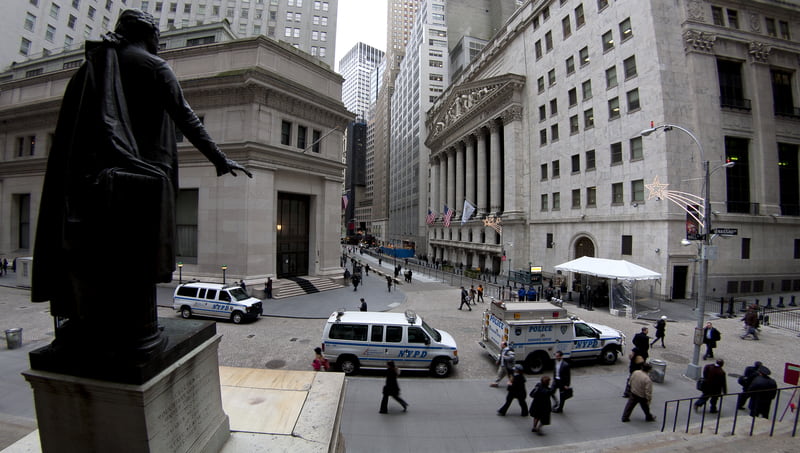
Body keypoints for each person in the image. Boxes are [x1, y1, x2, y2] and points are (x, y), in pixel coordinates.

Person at [31, 9, 252, 357]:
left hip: (92, 179)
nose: (159, 42)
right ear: (147, 34)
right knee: (138, 255)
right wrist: (219, 158)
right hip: (144, 177)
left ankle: (92, 321)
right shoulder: (153, 66)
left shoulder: (92, 67)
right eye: (157, 36)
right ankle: (137, 329)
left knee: (103, 252)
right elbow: (186, 117)